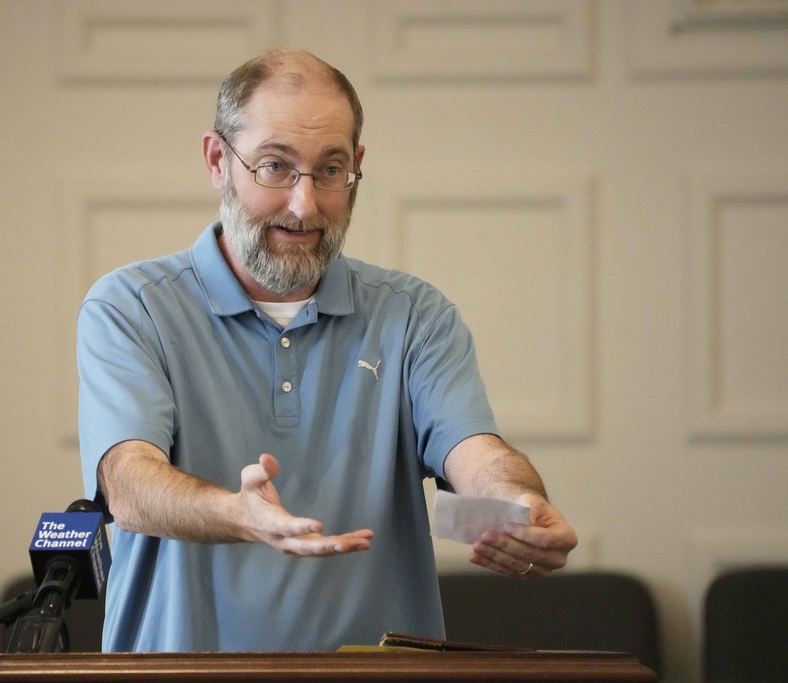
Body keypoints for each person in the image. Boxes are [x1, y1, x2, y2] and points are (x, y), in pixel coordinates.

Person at [77, 48, 577, 653]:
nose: (304, 204)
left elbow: (475, 452)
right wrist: (241, 516)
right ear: (217, 160)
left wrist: (517, 502)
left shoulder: (413, 315)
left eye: (330, 170)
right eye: (275, 167)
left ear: (357, 166)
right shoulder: (132, 306)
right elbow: (128, 486)